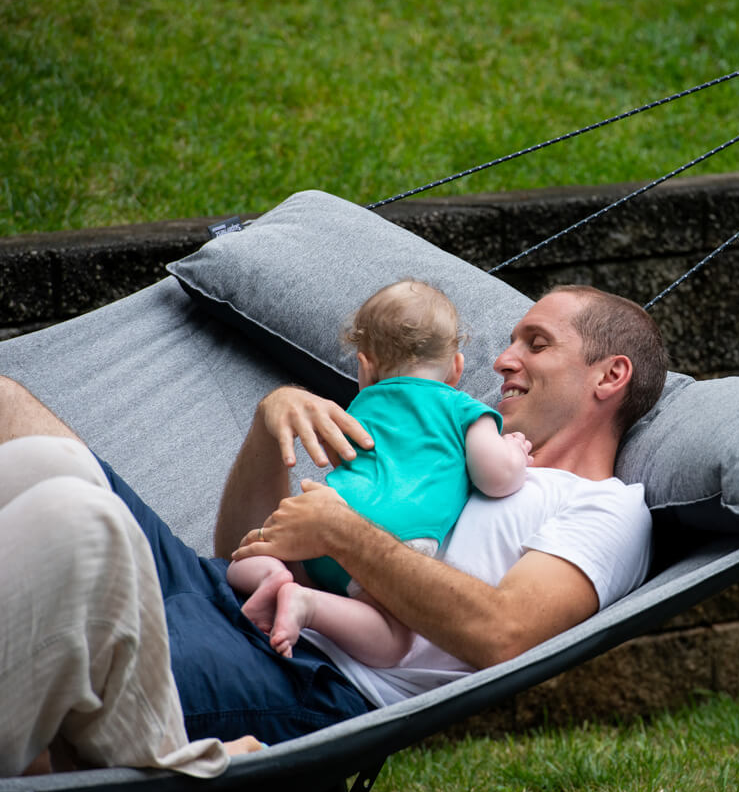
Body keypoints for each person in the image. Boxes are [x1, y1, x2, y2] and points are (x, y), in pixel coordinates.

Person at [0, 283, 668, 744]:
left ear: (610, 376)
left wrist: (344, 532)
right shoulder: (453, 436)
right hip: (229, 590)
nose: (502, 359)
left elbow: (503, 634)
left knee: (46, 648)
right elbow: (238, 546)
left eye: (537, 342)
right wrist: (270, 428)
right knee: (10, 409)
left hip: (307, 671)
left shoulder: (605, 510)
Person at [226, 279, 533, 665]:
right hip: (397, 538)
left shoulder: (359, 408)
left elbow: (348, 461)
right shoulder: (461, 407)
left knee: (246, 553)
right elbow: (497, 477)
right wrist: (514, 450)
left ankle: (270, 576)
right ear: (456, 368)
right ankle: (306, 604)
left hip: (324, 515)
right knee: (392, 642)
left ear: (365, 366)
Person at [0, 435, 262, 777]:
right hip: (221, 584)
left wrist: (343, 538)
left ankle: (159, 772)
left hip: (301, 662)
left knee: (93, 530)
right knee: (47, 463)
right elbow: (237, 551)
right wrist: (266, 434)